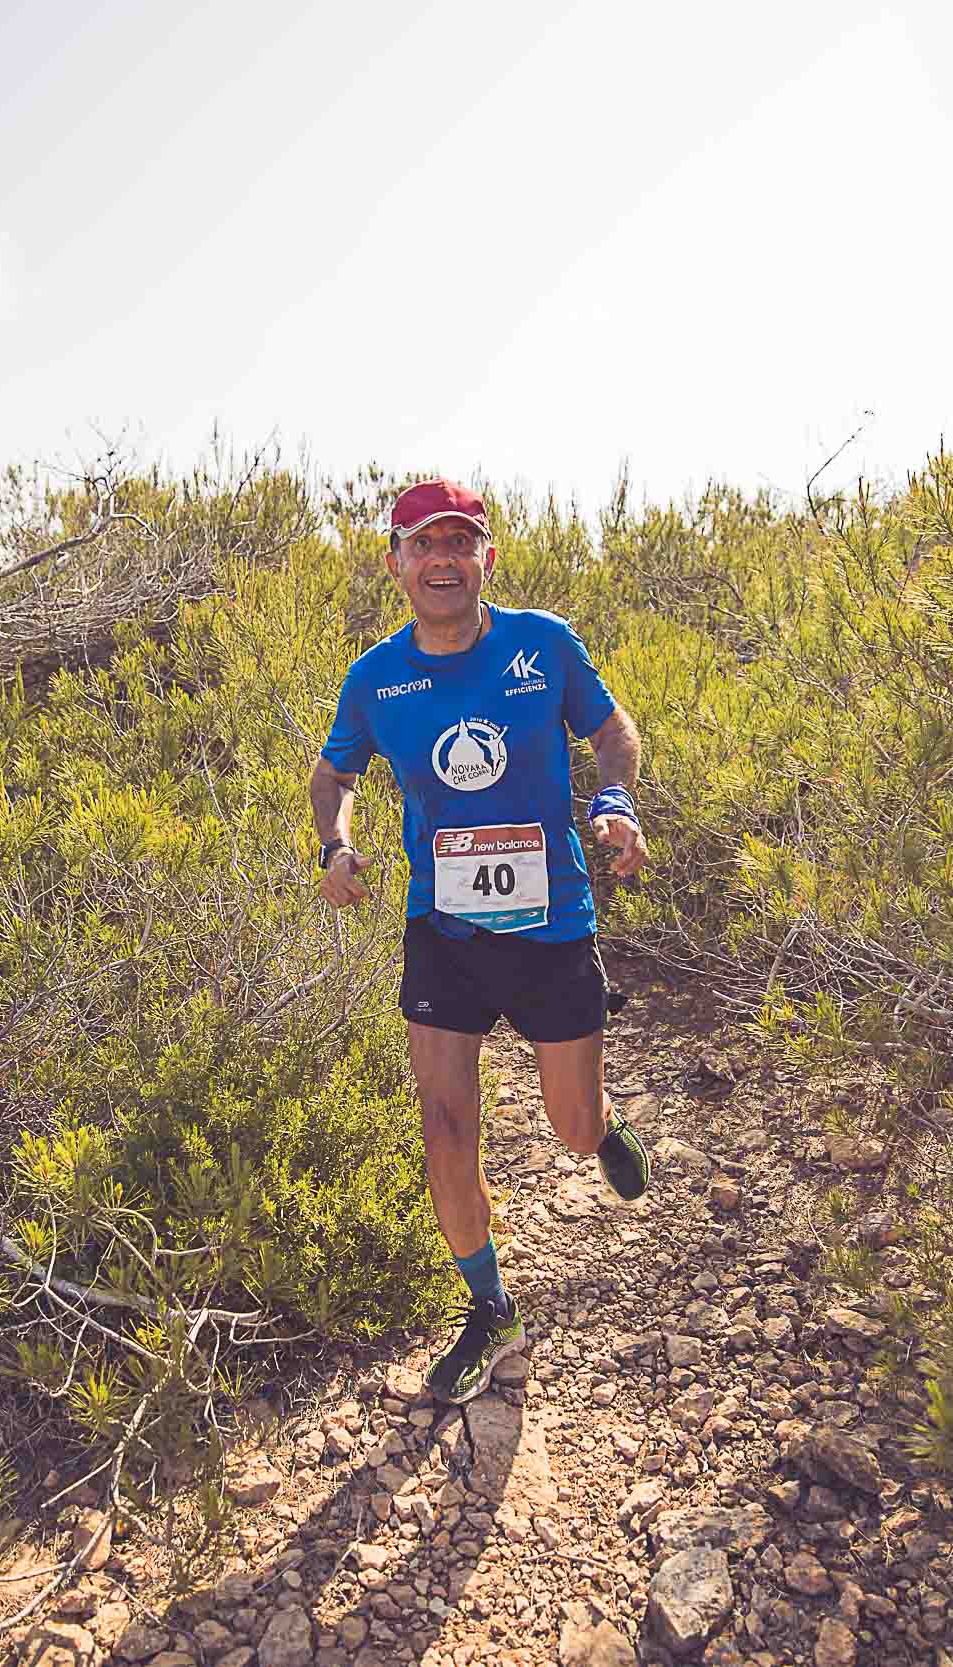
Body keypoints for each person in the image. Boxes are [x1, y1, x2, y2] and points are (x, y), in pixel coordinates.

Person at [310, 477, 651, 1404]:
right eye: (423, 544)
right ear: (396, 564)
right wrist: (336, 843)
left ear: (486, 558)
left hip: (552, 927)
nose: (443, 559)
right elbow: (334, 773)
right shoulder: (376, 678)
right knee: (445, 1124)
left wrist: (614, 797)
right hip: (445, 932)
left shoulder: (544, 644)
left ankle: (603, 1123)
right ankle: (492, 1307)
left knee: (570, 1130)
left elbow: (612, 731)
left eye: (460, 542)